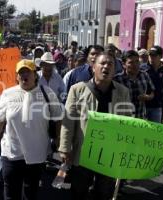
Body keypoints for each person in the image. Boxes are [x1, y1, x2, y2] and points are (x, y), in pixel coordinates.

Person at [59, 52, 133, 200]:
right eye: (103, 63)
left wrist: (125, 151)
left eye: (110, 64)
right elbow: (68, 121)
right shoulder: (77, 89)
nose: (106, 67)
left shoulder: (123, 92)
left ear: (115, 70)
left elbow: (127, 123)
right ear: (93, 67)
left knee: (103, 193)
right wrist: (65, 148)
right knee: (79, 192)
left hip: (109, 154)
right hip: (83, 152)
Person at [0, 59, 62, 200]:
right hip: (11, 152)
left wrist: (59, 139)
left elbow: (58, 117)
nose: (24, 76)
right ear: (17, 77)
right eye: (21, 73)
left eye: (28, 72)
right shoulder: (8, 94)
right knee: (11, 193)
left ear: (35, 75)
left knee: (31, 193)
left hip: (37, 154)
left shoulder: (48, 94)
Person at [115, 50, 155, 119]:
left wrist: (148, 97)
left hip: (140, 118)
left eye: (137, 61)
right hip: (122, 120)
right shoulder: (117, 79)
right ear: (124, 64)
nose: (135, 65)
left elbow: (152, 91)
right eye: (131, 62)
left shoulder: (144, 75)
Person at [145, 46, 163, 122]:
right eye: (150, 55)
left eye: (154, 55)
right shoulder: (143, 69)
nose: (151, 57)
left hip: (157, 107)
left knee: (154, 131)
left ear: (160, 56)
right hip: (143, 106)